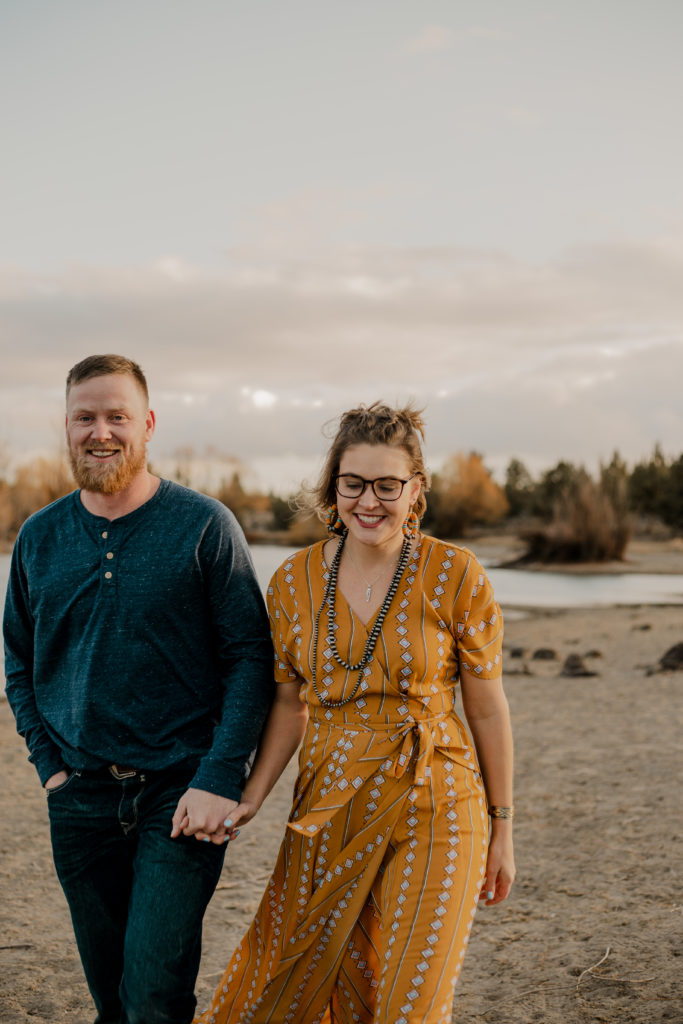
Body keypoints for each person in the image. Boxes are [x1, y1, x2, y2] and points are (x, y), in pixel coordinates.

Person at [194, 402, 515, 1024]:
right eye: (353, 483)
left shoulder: (455, 574)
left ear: (415, 489)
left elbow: (489, 710)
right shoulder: (293, 581)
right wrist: (254, 793)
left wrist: (503, 828)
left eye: (388, 485)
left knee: (410, 1002)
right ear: (333, 486)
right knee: (304, 984)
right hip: (328, 804)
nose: (370, 501)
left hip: (438, 799)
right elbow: (289, 703)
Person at [3, 354, 274, 1024]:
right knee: (111, 1000)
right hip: (79, 800)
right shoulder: (38, 538)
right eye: (84, 417)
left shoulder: (204, 526)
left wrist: (219, 776)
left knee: (154, 996)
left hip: (179, 798)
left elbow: (249, 659)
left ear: (146, 424)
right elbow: (17, 659)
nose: (101, 432)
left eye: (116, 416)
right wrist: (49, 767)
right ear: (66, 428)